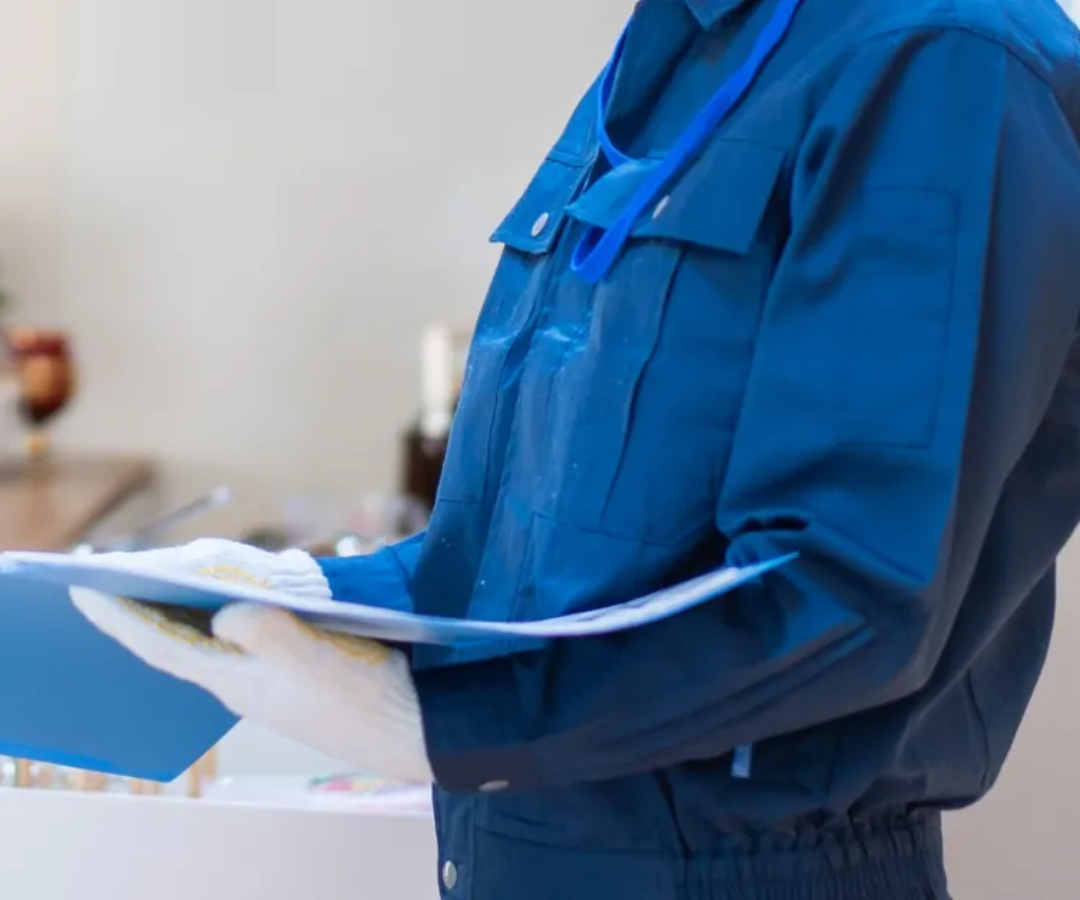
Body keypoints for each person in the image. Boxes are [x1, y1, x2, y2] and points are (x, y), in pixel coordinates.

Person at [70, 0, 1080, 897]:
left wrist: (445, 720)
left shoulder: (946, 56)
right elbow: (531, 554)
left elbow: (851, 587)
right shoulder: (676, 53)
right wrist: (312, 594)